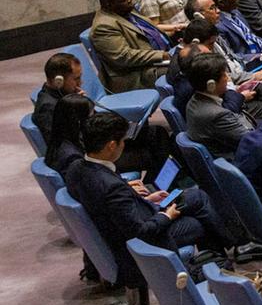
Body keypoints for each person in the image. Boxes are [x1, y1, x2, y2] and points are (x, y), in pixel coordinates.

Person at [65, 112, 228, 263]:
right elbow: (141, 232)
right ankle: (218, 260)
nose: (124, 145)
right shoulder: (111, 187)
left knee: (196, 196)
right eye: (123, 141)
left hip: (131, 218)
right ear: (112, 146)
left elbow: (112, 207)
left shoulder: (76, 167)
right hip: (137, 243)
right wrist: (167, 216)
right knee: (197, 223)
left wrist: (145, 199)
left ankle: (222, 255)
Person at [90, 0, 170, 92]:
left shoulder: (125, 10)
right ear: (109, 4)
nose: (130, 0)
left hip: (157, 59)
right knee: (185, 69)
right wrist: (160, 55)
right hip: (137, 73)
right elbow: (124, 56)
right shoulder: (103, 26)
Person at [185, 53, 254, 157]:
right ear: (211, 85)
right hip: (238, 156)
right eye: (224, 75)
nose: (228, 78)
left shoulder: (194, 99)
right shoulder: (217, 115)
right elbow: (252, 140)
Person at [32, 51, 85, 143]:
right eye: (76, 79)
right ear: (58, 81)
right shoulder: (48, 108)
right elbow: (61, 144)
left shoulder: (66, 95)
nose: (80, 83)